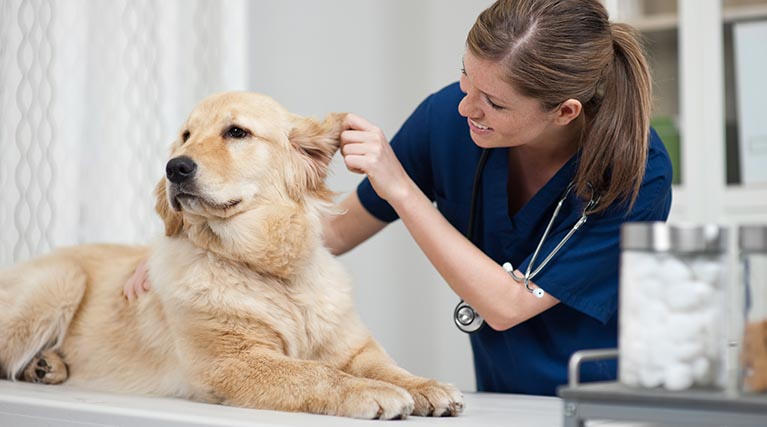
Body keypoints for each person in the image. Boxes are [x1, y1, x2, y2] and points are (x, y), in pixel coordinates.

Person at [126, 0, 672, 396]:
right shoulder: (446, 117)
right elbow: (332, 234)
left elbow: (507, 306)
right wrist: (187, 259)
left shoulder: (636, 172)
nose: (467, 109)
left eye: (494, 104)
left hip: (606, 394)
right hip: (500, 393)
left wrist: (402, 188)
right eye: (466, 80)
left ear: (564, 112)